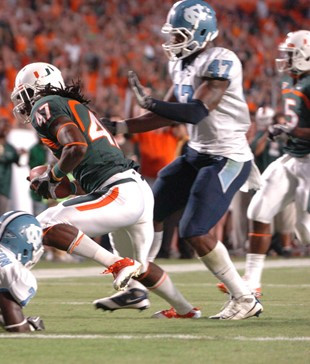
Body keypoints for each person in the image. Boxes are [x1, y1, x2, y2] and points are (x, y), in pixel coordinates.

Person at [102, 0, 262, 319]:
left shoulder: (221, 60)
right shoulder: (181, 64)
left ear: (200, 34)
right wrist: (122, 126)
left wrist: (149, 100)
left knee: (194, 230)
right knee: (149, 213)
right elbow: (167, 115)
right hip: (196, 153)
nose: (172, 41)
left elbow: (196, 110)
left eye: (179, 35)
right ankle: (139, 286)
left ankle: (244, 297)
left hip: (227, 157)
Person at [11, 62, 199, 318]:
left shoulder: (46, 105)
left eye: (24, 94)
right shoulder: (70, 106)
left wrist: (52, 176)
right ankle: (184, 310)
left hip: (119, 193)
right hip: (134, 189)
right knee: (140, 268)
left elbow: (76, 146)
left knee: (41, 225)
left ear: (38, 88)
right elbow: (89, 169)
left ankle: (115, 264)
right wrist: (64, 187)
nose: (24, 103)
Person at [219, 30, 310, 298]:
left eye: (291, 54)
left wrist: (288, 130)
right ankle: (251, 282)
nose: (285, 59)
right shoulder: (287, 80)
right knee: (258, 210)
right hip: (291, 157)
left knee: (305, 232)